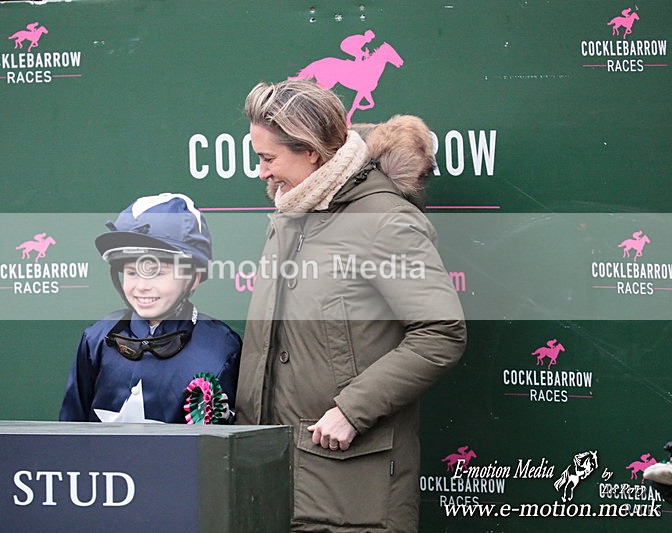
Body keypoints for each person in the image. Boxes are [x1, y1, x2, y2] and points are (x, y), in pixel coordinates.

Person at [236, 80, 466, 531]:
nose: (261, 173)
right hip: (272, 478)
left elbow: (441, 333)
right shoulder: (293, 213)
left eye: (267, 159)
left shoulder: (385, 220)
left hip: (351, 487)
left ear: (311, 152)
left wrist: (351, 410)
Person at [60, 193, 241, 424]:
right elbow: (69, 432)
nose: (142, 287)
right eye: (132, 272)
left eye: (157, 272)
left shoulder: (222, 346)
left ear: (193, 278)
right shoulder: (96, 339)